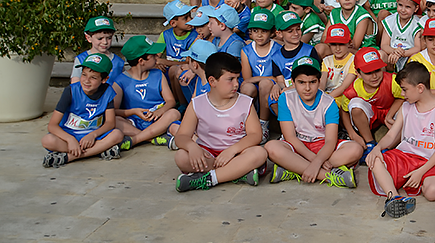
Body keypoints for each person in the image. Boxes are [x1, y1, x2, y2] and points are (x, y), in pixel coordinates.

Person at [172, 53, 267, 191]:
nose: (236, 84)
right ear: (212, 81)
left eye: (237, 78)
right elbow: (181, 136)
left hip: (236, 154)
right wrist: (192, 147)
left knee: (259, 153)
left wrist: (232, 151)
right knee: (181, 156)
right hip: (207, 154)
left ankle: (209, 179)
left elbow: (255, 135)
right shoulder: (197, 104)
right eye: (230, 79)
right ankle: (237, 173)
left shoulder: (245, 102)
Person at [365, 61, 435, 214]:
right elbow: (391, 135)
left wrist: (420, 172)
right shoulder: (406, 107)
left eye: (405, 90)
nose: (403, 95)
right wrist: (377, 148)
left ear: (420, 88)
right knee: (375, 160)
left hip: (428, 161)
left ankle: (410, 181)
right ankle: (394, 197)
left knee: (434, 192)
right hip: (403, 157)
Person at [264, 56, 360, 187]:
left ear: (319, 81)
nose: (307, 88)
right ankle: (327, 176)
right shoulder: (286, 98)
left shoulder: (329, 102)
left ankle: (294, 168)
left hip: (323, 146)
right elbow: (290, 137)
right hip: (298, 145)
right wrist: (315, 162)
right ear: (293, 81)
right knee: (271, 148)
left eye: (312, 82)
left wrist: (317, 161)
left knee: (355, 149)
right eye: (301, 82)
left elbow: (330, 141)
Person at [42, 53, 128, 168]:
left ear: (104, 79)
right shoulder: (71, 91)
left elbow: (110, 123)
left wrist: (93, 135)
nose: (86, 81)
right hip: (70, 134)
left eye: (93, 77)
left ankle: (69, 157)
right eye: (84, 75)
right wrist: (70, 140)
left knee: (117, 134)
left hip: (93, 135)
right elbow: (52, 125)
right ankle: (98, 150)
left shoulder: (108, 91)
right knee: (47, 140)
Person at [332, 47, 404, 160]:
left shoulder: (392, 80)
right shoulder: (354, 89)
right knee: (355, 105)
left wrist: (389, 115)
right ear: (358, 73)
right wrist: (352, 134)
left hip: (390, 112)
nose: (374, 76)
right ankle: (369, 142)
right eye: (368, 72)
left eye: (377, 70)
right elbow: (344, 110)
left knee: (406, 110)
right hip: (372, 116)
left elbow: (402, 98)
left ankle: (388, 147)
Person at [113, 36, 181, 149]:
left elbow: (170, 101)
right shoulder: (120, 81)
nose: (157, 57)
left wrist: (160, 111)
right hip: (134, 121)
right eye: (153, 56)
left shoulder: (158, 74)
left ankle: (135, 140)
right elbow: (114, 111)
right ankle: (154, 139)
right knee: (114, 120)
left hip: (158, 120)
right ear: (141, 61)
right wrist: (133, 112)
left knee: (174, 113)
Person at [72, 16, 125, 87]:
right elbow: (74, 85)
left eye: (109, 38)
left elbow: (124, 85)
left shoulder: (118, 62)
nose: (105, 42)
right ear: (88, 38)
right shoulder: (81, 59)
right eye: (100, 38)